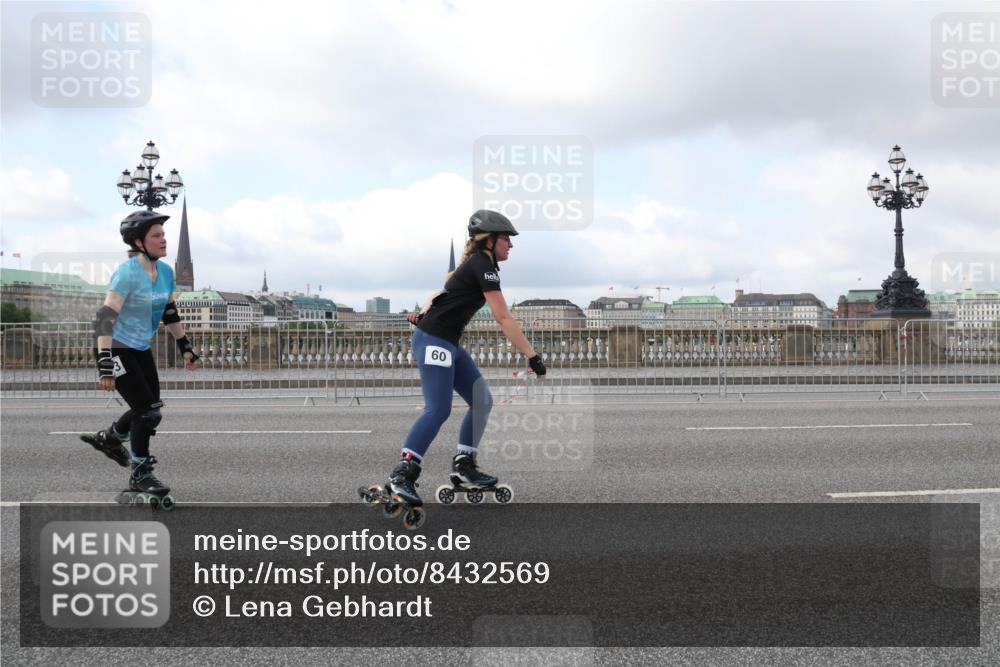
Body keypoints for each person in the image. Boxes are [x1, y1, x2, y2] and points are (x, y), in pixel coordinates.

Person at [387, 209, 547, 506]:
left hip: (446, 341)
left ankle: (464, 465)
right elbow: (503, 317)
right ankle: (402, 474)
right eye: (507, 239)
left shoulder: (477, 265)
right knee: (438, 409)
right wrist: (533, 355)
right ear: (490, 240)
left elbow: (440, 292)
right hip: (434, 340)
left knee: (482, 400)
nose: (511, 244)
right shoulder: (482, 265)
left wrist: (425, 309)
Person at [80, 210, 200, 500]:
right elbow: (105, 317)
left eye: (163, 234)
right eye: (156, 235)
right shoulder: (127, 273)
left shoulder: (166, 273)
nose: (163, 239)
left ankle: (110, 438)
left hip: (140, 347)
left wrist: (185, 347)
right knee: (146, 411)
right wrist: (105, 363)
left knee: (150, 409)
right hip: (116, 347)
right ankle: (140, 473)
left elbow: (170, 313)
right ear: (139, 241)